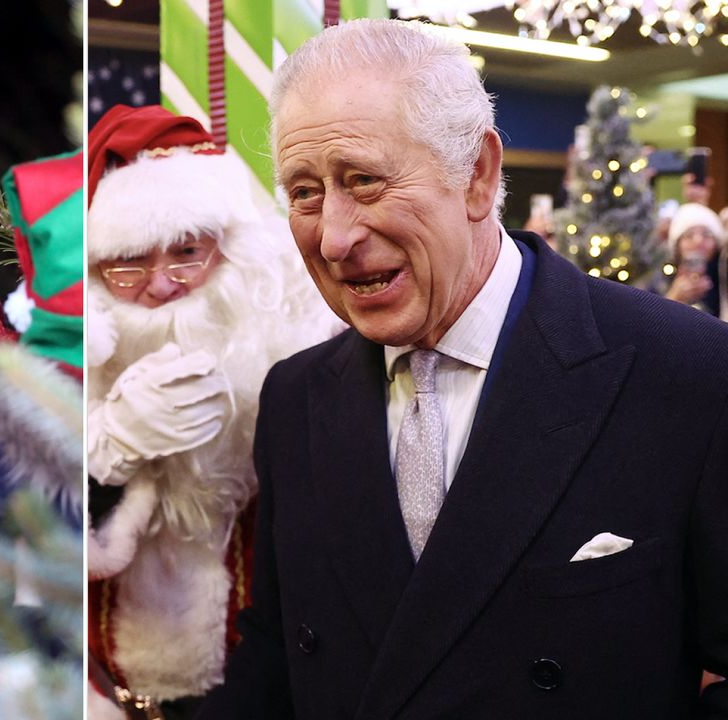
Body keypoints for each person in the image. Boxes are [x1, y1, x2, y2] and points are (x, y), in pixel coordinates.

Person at [200, 18, 728, 719]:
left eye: (365, 180)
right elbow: (275, 658)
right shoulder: (294, 398)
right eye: (304, 191)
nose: (332, 236)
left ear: (476, 174)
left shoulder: (687, 372)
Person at [84, 105, 340, 720]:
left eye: (188, 253)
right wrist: (102, 451)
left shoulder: (302, 353)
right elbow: (6, 546)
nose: (164, 284)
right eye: (127, 265)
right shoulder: (62, 359)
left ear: (231, 252)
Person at [658, 202, 726, 318]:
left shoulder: (722, 276)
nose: (698, 241)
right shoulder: (662, 278)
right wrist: (673, 298)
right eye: (689, 235)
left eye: (707, 235)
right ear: (677, 245)